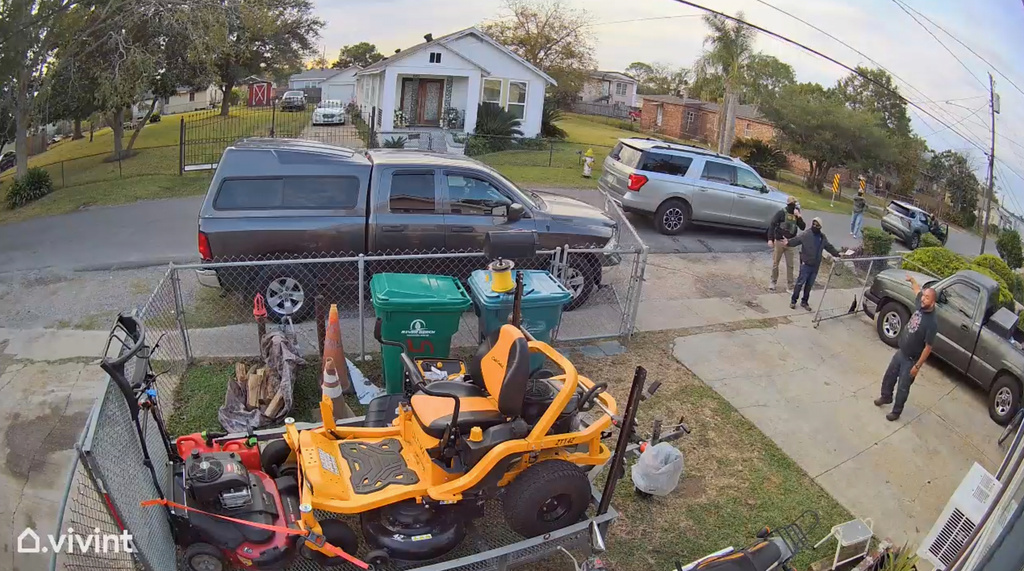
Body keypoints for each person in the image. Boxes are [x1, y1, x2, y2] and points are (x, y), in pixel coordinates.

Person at [874, 277, 938, 421]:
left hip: (911, 360)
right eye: (924, 296)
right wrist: (913, 281)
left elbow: (928, 347)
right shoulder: (921, 305)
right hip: (901, 352)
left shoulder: (932, 323)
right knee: (889, 376)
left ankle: (896, 412)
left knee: (903, 387)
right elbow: (917, 292)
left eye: (927, 298)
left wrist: (917, 366)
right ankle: (886, 397)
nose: (923, 299)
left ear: (933, 302)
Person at [783, 217, 842, 310]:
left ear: (820, 227)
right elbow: (796, 240)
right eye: (813, 224)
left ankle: (804, 302)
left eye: (817, 225)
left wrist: (837, 254)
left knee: (809, 285)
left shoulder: (822, 237)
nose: (814, 226)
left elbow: (828, 247)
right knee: (799, 283)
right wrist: (788, 242)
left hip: (815, 266)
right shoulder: (806, 234)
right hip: (806, 264)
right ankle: (793, 301)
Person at [767, 196, 805, 292]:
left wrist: (799, 216)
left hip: (790, 243)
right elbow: (772, 224)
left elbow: (803, 227)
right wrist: (770, 239)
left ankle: (790, 285)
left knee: (790, 265)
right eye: (793, 204)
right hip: (779, 241)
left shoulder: (796, 215)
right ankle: (773, 282)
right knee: (776, 263)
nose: (795, 207)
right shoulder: (781, 213)